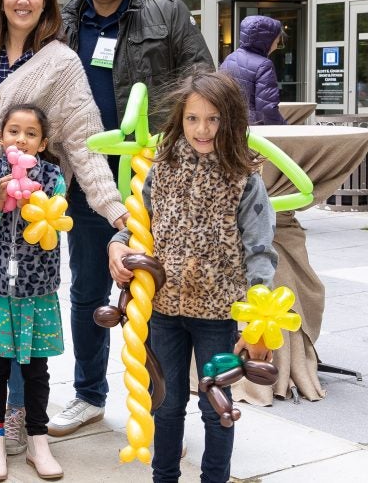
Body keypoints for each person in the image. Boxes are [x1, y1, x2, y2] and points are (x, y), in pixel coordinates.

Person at [0, 0, 126, 462]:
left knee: (20, 309)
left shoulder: (61, 63)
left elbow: (85, 141)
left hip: (29, 217)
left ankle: (18, 412)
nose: (23, 0)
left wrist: (115, 210)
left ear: (47, 0)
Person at [50, 0, 214, 437]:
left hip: (154, 179)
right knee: (87, 291)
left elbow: (203, 79)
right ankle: (88, 395)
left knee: (158, 296)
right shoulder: (65, 24)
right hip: (88, 179)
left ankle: (160, 405)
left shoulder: (165, 12)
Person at [107, 70, 277, 483]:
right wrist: (117, 243)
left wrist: (258, 321)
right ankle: (163, 477)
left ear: (231, 121)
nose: (202, 129)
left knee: (215, 405)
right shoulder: (160, 169)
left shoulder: (245, 181)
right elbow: (137, 224)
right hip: (164, 310)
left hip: (217, 316)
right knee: (165, 403)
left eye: (214, 119)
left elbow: (260, 254)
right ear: (180, 118)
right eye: (193, 118)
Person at [0, 104, 66, 481]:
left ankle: (37, 439)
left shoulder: (53, 178)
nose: (21, 139)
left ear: (43, 143)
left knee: (35, 369)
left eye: (30, 134)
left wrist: (34, 205)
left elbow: (53, 235)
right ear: (1, 138)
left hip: (36, 292)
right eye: (14, 131)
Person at [219, 15, 287, 125]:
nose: (276, 46)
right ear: (267, 40)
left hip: (230, 128)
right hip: (253, 132)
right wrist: (286, 128)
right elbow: (267, 110)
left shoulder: (229, 59)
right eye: (276, 42)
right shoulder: (264, 65)